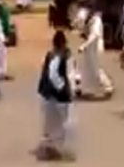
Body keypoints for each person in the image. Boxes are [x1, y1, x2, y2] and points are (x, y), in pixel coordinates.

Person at [36, 31, 76, 161]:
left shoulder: (50, 55)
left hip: (48, 95)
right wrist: (64, 88)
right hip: (60, 97)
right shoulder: (64, 55)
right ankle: (57, 151)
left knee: (51, 122)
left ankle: (50, 147)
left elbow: (46, 73)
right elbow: (59, 74)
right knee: (64, 123)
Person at [76, 7, 113, 100]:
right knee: (87, 67)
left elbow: (94, 35)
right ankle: (82, 87)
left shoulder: (96, 21)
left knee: (95, 68)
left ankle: (107, 86)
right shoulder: (90, 21)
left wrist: (84, 45)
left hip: (95, 46)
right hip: (90, 47)